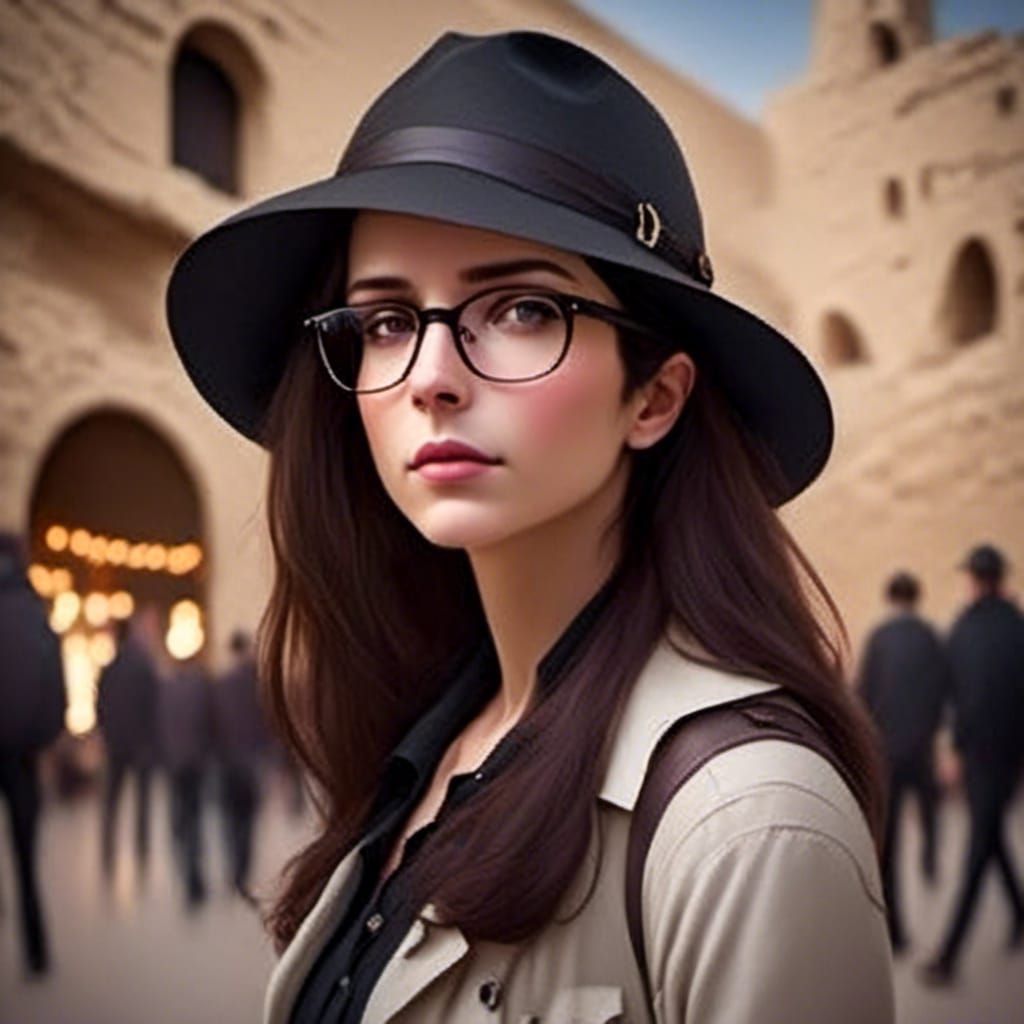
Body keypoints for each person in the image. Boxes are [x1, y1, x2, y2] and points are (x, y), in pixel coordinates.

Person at [166, 30, 893, 1023]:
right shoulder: (427, 745)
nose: (429, 376)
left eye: (517, 309)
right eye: (384, 321)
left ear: (655, 396)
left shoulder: (749, 824)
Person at [921, 544, 1024, 986]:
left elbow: (954, 698)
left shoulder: (961, 629)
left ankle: (947, 956)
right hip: (1012, 755)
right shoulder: (1019, 627)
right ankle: (1020, 914)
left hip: (977, 754)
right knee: (991, 834)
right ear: (1000, 580)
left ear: (973, 580)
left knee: (978, 846)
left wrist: (953, 753)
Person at [857, 570, 949, 953]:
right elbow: (942, 692)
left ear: (890, 598)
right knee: (931, 812)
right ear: (917, 597)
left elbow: (863, 695)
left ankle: (895, 933)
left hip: (888, 753)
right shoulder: (930, 637)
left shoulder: (878, 638)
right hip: (922, 749)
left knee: (889, 845)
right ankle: (931, 857)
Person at [0, 530, 65, 977]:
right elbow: (55, 690)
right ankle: (36, 952)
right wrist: (41, 740)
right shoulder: (34, 612)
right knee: (26, 862)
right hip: (23, 759)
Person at [95, 610, 160, 882]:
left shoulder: (108, 669)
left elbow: (99, 708)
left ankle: (107, 853)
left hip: (116, 746)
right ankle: (141, 851)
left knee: (111, 803)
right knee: (141, 806)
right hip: (142, 746)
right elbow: (154, 706)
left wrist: (107, 736)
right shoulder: (145, 667)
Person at [211, 628, 271, 903]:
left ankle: (233, 871)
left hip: (225, 761)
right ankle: (240, 874)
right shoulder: (258, 684)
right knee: (247, 821)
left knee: (229, 820)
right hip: (251, 761)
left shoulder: (220, 684)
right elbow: (270, 726)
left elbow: (211, 724)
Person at [156, 650, 213, 910]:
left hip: (175, 765)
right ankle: (195, 874)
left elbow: (157, 728)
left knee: (181, 824)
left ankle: (191, 877)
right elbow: (209, 724)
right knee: (194, 822)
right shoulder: (199, 688)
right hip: (195, 764)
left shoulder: (163, 690)